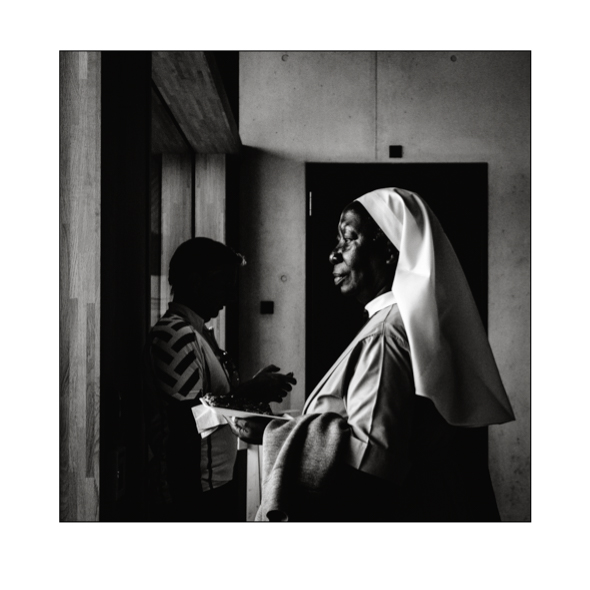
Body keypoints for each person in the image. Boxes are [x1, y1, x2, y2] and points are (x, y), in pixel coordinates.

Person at [234, 187, 515, 522]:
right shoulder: (409, 322)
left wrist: (271, 433)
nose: (333, 254)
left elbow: (370, 468)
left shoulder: (384, 336)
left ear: (389, 251)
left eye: (348, 239)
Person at [143, 237, 296, 521]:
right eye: (225, 284)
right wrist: (250, 392)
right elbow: (185, 423)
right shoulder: (176, 335)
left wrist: (250, 391)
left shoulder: (196, 333)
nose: (230, 296)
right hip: (193, 495)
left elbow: (205, 406)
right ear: (196, 282)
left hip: (209, 487)